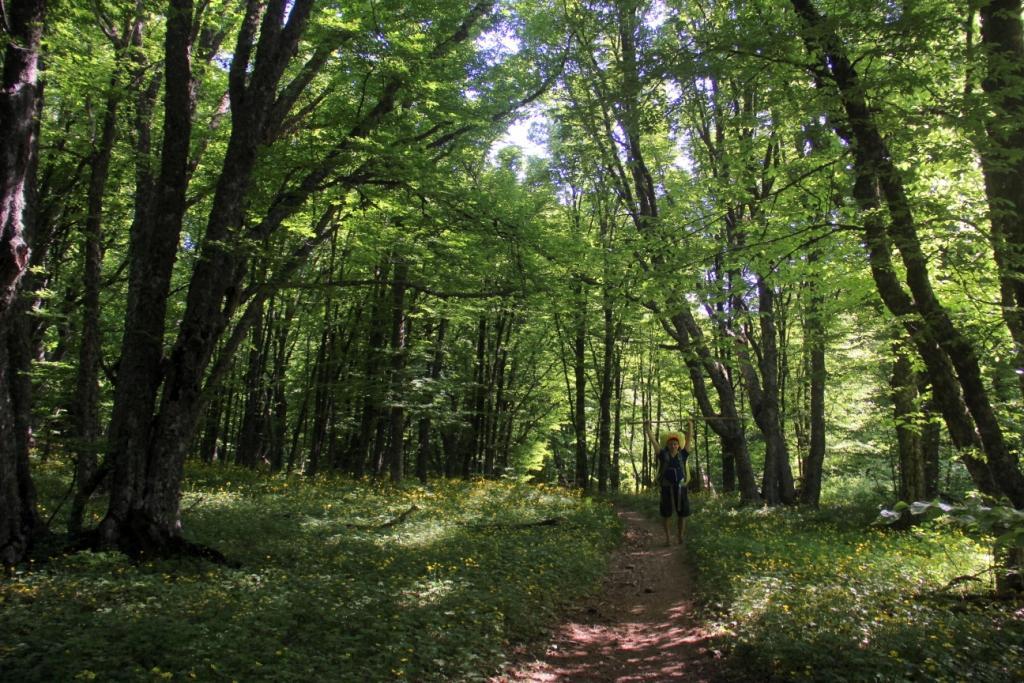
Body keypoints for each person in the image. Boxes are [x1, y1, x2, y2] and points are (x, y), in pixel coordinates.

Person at [645, 418, 693, 546]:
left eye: (675, 444)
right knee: (666, 514)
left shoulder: (683, 454)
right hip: (666, 488)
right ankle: (667, 539)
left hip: (681, 488)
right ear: (667, 445)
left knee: (682, 514)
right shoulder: (662, 454)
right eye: (671, 444)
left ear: (678, 445)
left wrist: (690, 425)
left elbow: (689, 440)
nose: (673, 446)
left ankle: (680, 536)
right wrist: (647, 428)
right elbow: (653, 441)